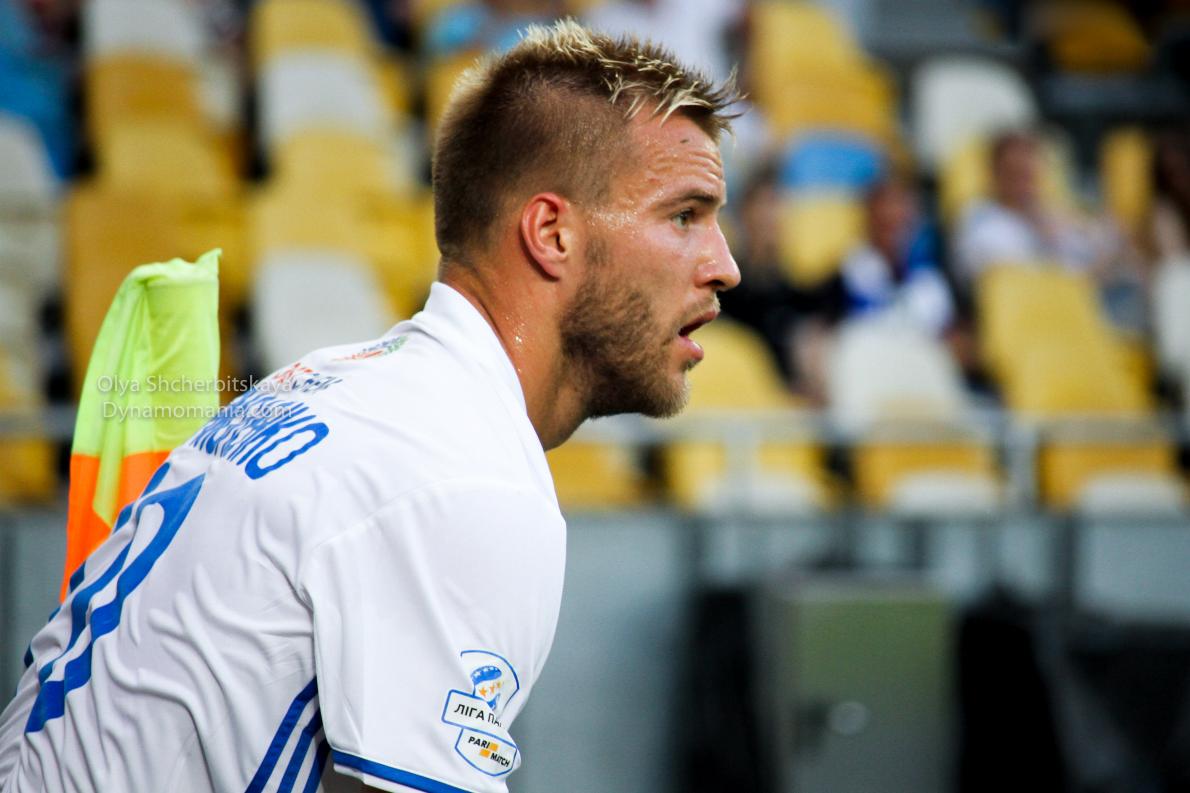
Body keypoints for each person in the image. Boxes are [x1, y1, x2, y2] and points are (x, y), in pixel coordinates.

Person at [0, 20, 740, 793]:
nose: (725, 266)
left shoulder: (322, 384)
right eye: (684, 215)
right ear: (551, 233)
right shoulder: (464, 474)